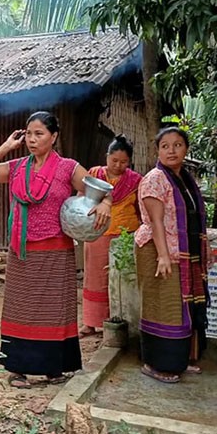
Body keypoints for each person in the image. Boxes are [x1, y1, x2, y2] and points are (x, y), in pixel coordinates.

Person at [0, 111, 112, 388]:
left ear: (54, 136)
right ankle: (18, 369)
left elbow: (101, 191)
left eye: (39, 134)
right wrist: (6, 146)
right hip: (22, 252)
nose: (32, 139)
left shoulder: (68, 168)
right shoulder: (17, 167)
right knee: (21, 310)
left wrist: (106, 204)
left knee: (54, 310)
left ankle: (54, 368)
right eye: (29, 134)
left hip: (56, 252)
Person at [134, 126, 212, 384]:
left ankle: (179, 359)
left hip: (183, 253)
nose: (171, 150)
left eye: (177, 145)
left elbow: (194, 220)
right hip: (158, 250)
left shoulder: (186, 181)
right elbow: (156, 221)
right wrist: (163, 256)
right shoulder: (155, 178)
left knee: (183, 308)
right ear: (157, 151)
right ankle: (156, 363)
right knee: (164, 308)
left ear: (186, 149)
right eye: (165, 146)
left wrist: (205, 249)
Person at [79, 135, 143, 337]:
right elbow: (81, 200)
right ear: (106, 157)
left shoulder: (136, 181)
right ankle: (90, 323)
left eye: (124, 162)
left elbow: (141, 209)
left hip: (125, 237)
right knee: (94, 278)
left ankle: (119, 320)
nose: (118, 165)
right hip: (97, 234)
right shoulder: (94, 174)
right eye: (114, 160)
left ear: (130, 162)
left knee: (121, 278)